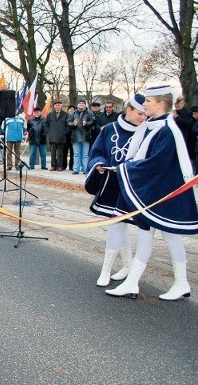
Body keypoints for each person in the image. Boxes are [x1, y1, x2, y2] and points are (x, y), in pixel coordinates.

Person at [106, 85, 198, 300]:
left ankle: (181, 283)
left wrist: (124, 169)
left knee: (170, 238)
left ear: (160, 103)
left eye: (147, 100)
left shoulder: (166, 129)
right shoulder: (155, 126)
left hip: (165, 195)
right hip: (156, 193)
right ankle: (134, 283)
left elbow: (155, 164)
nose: (144, 104)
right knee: (147, 235)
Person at [84, 94, 147, 287]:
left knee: (117, 225)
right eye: (139, 113)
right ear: (129, 110)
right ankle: (126, 266)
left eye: (145, 114)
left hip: (133, 187)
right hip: (111, 185)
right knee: (119, 226)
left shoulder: (146, 132)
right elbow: (97, 152)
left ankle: (106, 270)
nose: (143, 117)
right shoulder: (109, 129)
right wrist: (99, 165)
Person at [67, 100, 95, 175]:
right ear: (77, 105)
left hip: (86, 136)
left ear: (85, 105)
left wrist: (87, 123)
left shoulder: (89, 113)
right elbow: (68, 122)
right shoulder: (73, 113)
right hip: (75, 136)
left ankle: (85, 169)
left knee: (85, 154)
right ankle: (76, 169)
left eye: (83, 103)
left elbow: (93, 121)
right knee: (76, 153)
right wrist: (73, 124)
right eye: (80, 103)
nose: (81, 104)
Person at [45, 101, 68, 171]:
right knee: (53, 152)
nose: (57, 106)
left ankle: (59, 166)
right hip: (52, 136)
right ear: (54, 106)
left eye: (59, 105)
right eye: (56, 105)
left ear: (61, 106)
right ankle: (53, 165)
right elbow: (46, 124)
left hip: (61, 136)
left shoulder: (65, 115)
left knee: (60, 153)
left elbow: (68, 125)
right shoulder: (50, 114)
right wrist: (49, 132)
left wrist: (64, 132)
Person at [62, 105, 76, 170]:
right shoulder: (64, 116)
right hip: (65, 137)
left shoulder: (76, 117)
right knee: (64, 152)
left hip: (73, 137)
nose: (71, 110)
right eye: (70, 109)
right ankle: (63, 165)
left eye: (73, 109)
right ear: (67, 110)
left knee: (73, 153)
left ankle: (72, 166)